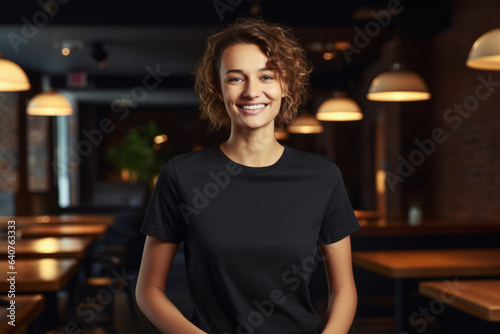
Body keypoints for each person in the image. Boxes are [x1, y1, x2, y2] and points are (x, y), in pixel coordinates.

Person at [136, 17, 360, 334]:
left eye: (266, 76)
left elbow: (344, 289)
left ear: (286, 84)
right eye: (236, 79)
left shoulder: (322, 176)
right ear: (218, 87)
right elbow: (148, 291)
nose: (252, 92)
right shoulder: (181, 175)